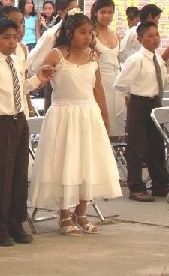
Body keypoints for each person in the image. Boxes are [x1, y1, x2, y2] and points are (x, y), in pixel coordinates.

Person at [29, 13, 121, 236]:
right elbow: (38, 79)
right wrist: (43, 77)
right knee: (65, 162)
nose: (88, 37)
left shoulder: (92, 56)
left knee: (86, 162)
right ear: (70, 33)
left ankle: (82, 212)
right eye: (83, 32)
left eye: (90, 33)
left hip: (88, 112)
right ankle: (64, 214)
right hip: (64, 114)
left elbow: (97, 88)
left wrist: (104, 115)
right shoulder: (56, 54)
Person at [0, 17, 53, 247]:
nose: (12, 42)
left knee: (18, 174)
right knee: (0, 176)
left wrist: (37, 80)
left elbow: (20, 87)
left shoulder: (17, 59)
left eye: (15, 37)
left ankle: (16, 222)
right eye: (6, 38)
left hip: (18, 119)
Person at [113, 21, 169, 202]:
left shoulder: (157, 59)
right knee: (136, 145)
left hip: (155, 102)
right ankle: (136, 187)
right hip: (139, 102)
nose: (155, 39)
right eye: (150, 36)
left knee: (156, 144)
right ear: (140, 39)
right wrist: (129, 95)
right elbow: (120, 83)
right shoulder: (136, 60)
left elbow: (164, 81)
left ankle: (160, 184)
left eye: (157, 35)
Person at [90, 0, 123, 140]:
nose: (106, 16)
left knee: (117, 127)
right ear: (95, 12)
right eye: (103, 12)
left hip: (116, 82)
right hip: (99, 82)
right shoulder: (90, 34)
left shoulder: (115, 34)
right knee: (101, 127)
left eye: (110, 12)